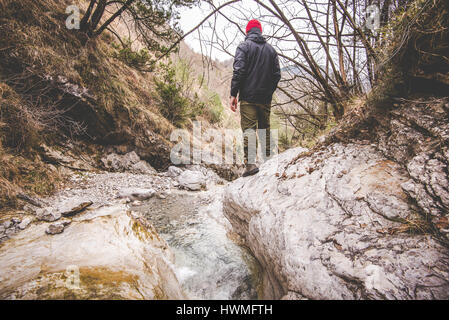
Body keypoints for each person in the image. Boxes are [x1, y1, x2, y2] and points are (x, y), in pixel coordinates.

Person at [230, 19, 281, 177]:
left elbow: (239, 71)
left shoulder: (243, 47)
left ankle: (251, 165)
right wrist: (268, 92)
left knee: (249, 130)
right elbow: (277, 75)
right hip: (265, 98)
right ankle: (269, 161)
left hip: (248, 97)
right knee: (264, 128)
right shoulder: (271, 50)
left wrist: (234, 94)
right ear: (260, 31)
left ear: (247, 32)